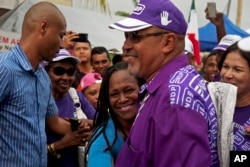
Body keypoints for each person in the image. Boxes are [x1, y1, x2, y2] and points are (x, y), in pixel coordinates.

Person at [109, 0, 219, 166]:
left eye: (135, 36)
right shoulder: (167, 89)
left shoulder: (173, 101)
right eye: (126, 36)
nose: (125, 46)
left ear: (168, 43)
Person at [0, 2, 89, 166]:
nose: (62, 44)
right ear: (43, 27)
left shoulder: (42, 78)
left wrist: (86, 127)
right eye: (60, 35)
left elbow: (54, 122)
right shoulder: (4, 69)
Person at [44, 48, 96, 167]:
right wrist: (61, 144)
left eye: (71, 72)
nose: (66, 77)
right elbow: (26, 150)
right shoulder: (37, 100)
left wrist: (86, 125)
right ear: (45, 72)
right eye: (59, 71)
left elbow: (102, 123)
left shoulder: (75, 96)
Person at [85, 62, 141, 167]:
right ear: (108, 99)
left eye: (129, 90)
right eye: (114, 94)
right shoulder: (103, 138)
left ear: (142, 89)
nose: (122, 99)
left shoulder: (158, 124)